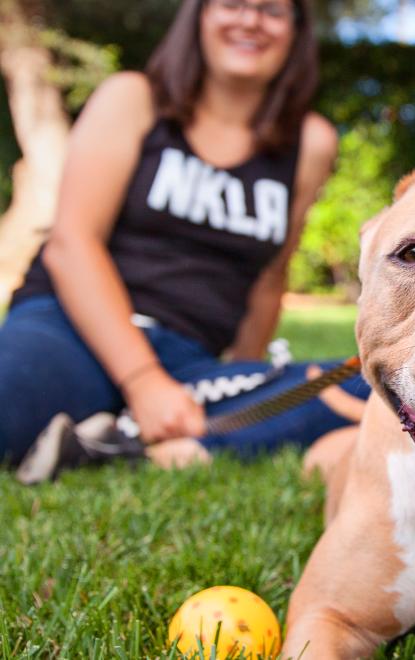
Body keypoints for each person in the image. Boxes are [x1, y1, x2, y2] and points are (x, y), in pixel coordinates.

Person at [0, 0, 368, 481]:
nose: (250, 20)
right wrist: (142, 380)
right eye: (232, 4)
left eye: (272, 10)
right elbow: (72, 243)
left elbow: (268, 277)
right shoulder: (132, 97)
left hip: (188, 366)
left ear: (296, 31)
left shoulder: (310, 141)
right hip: (69, 328)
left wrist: (249, 380)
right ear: (199, 15)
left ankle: (122, 444)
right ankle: (169, 438)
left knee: (376, 385)